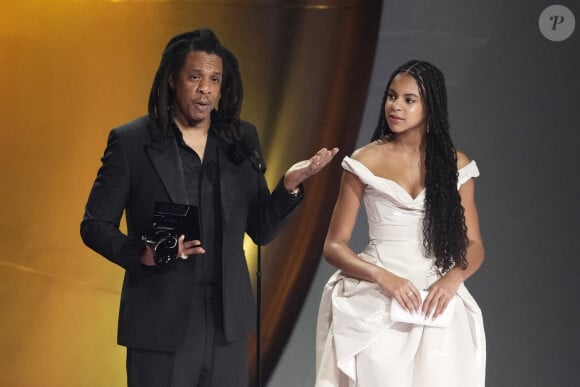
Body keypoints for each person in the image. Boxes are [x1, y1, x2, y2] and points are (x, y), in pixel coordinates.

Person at [80, 28, 338, 387]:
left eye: (215, 79)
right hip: (160, 319)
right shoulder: (131, 142)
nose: (206, 89)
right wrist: (144, 252)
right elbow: (94, 225)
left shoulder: (239, 139)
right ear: (173, 79)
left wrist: (289, 187)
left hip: (225, 323)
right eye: (196, 76)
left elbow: (260, 230)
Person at [315, 60, 485, 387]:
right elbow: (333, 246)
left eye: (409, 100)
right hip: (375, 297)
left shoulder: (456, 165)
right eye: (392, 96)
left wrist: (452, 280)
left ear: (430, 106)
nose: (395, 106)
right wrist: (384, 277)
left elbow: (474, 245)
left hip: (436, 296)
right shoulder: (363, 161)